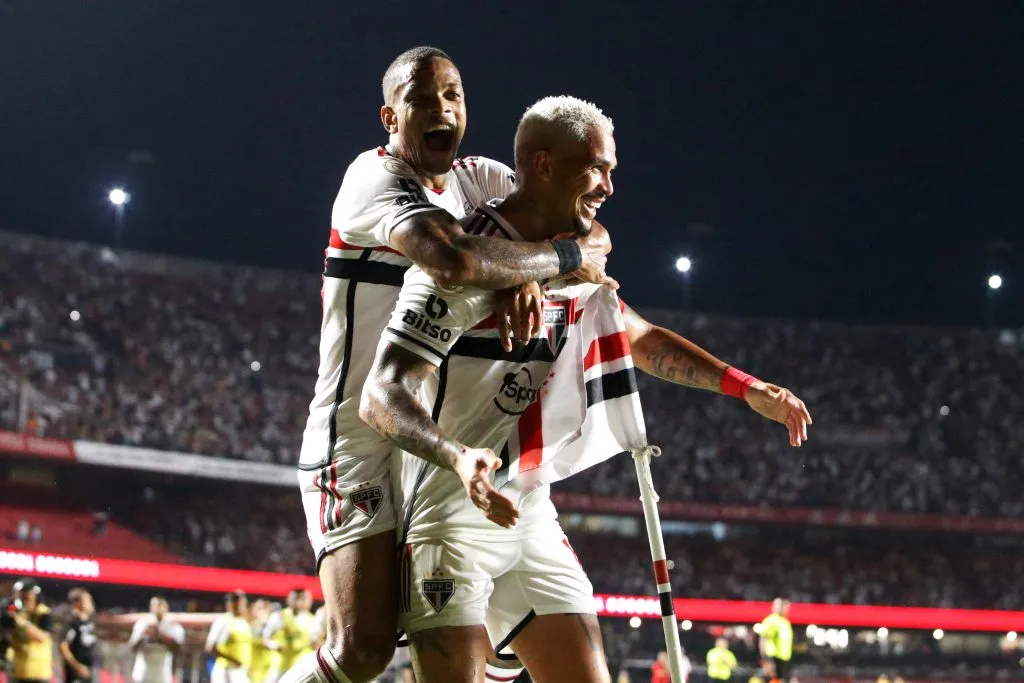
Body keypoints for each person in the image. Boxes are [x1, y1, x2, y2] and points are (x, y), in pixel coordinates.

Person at [359, 95, 811, 683]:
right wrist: (457, 455)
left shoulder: (574, 261)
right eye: (595, 168)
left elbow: (639, 338)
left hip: (526, 509)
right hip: (450, 511)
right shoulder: (460, 268)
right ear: (543, 165)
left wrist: (747, 387)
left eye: (611, 171)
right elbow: (381, 394)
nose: (608, 187)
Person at [291, 45, 615, 683]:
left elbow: (589, 234)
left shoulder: (482, 179)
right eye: (421, 99)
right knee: (363, 647)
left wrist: (530, 266)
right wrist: (544, 261)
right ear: (390, 117)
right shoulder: (373, 180)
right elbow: (455, 261)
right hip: (357, 432)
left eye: (453, 95)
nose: (441, 108)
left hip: (433, 436)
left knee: (467, 633)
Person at [128, 596, 185, 683]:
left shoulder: (173, 626)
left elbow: (179, 649)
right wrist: (144, 636)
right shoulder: (143, 623)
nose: (157, 608)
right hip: (142, 674)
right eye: (154, 605)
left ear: (166, 607)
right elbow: (132, 647)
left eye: (159, 605)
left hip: (162, 675)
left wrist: (161, 637)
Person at [7, 579, 52, 683]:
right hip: (16, 672)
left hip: (38, 674)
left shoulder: (43, 613)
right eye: (20, 598)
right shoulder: (13, 613)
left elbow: (42, 637)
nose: (23, 601)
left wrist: (23, 623)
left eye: (27, 598)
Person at [206, 591, 253, 683]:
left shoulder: (244, 622)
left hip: (241, 671)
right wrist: (233, 660)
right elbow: (210, 647)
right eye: (241, 603)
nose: (244, 606)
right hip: (225, 671)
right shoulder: (223, 621)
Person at [60, 589, 96, 683]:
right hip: (76, 673)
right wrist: (77, 666)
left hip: (89, 671)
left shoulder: (89, 622)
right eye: (87, 600)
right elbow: (63, 646)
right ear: (78, 603)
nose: (90, 603)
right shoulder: (72, 622)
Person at [758, 599, 793, 683]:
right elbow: (764, 639)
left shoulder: (785, 622)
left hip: (784, 658)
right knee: (773, 680)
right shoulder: (771, 621)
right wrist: (765, 659)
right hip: (773, 657)